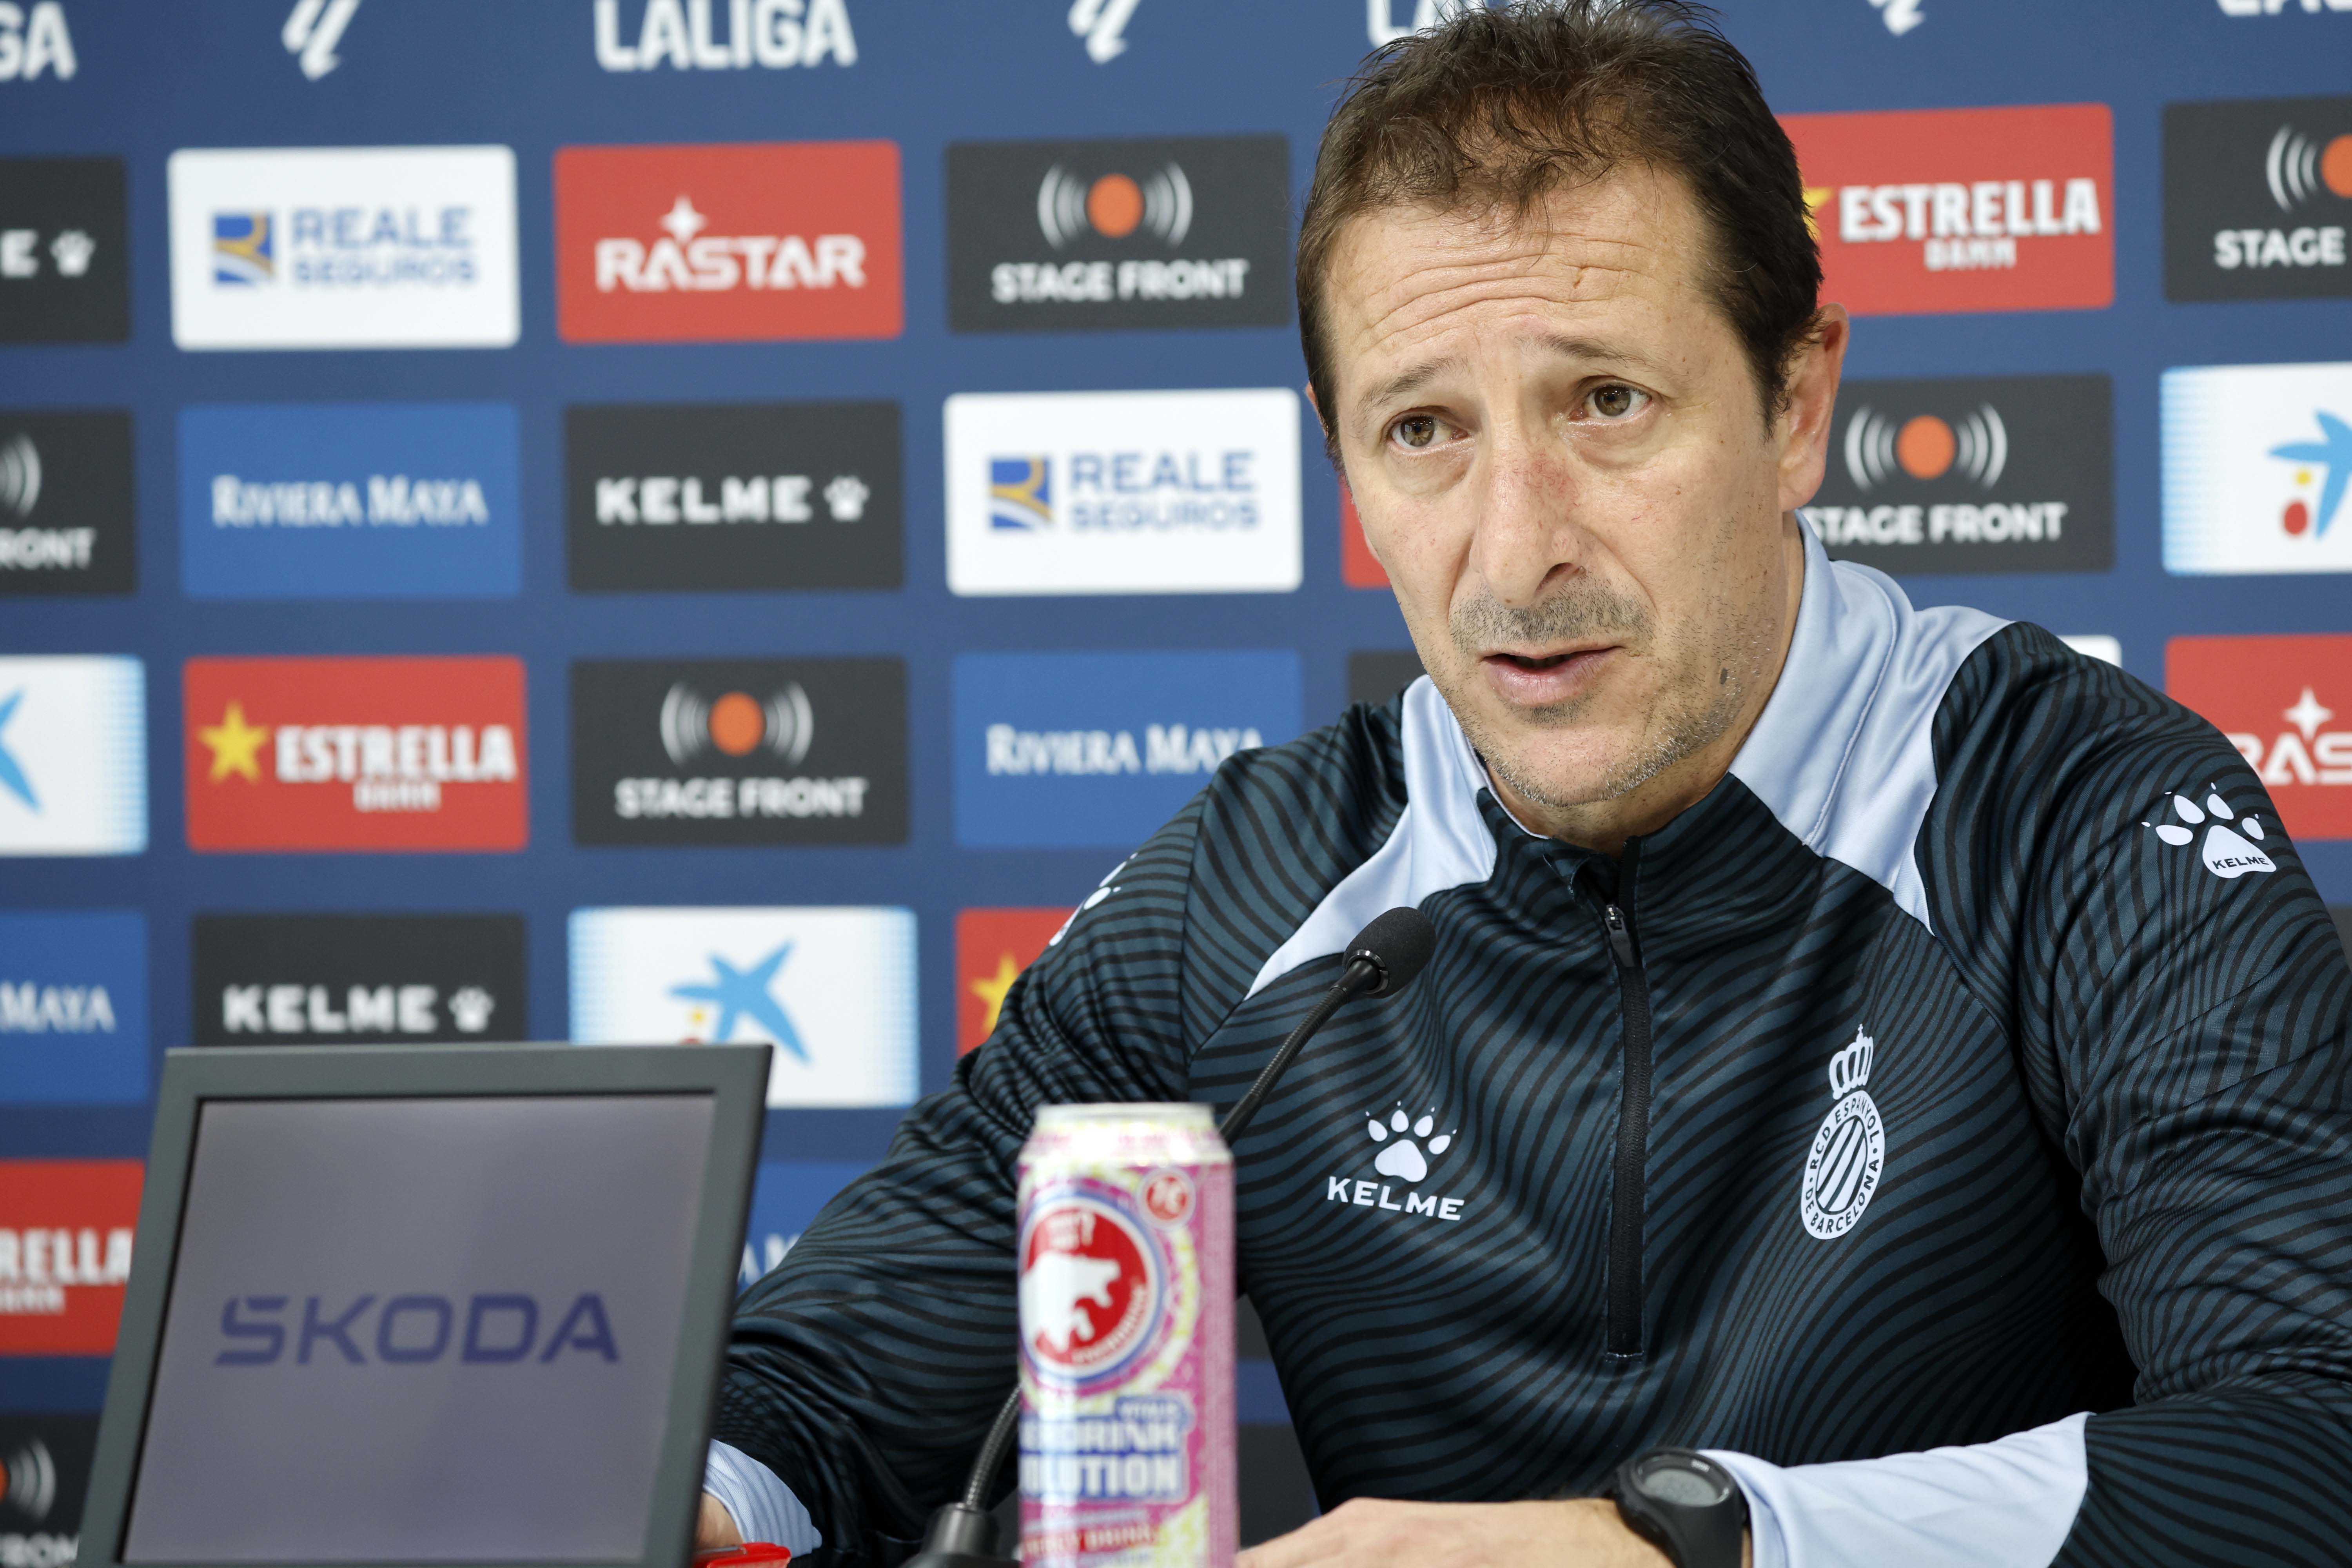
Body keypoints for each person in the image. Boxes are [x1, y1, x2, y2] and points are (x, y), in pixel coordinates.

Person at [699, 4, 2352, 1565]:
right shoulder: (1258, 887)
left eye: (1607, 403)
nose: (1515, 552)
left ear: (1796, 406)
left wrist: (1678, 1543)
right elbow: (818, 1389)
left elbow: (2314, 1438)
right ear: (1344, 463)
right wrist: (691, 1493)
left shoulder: (2073, 811)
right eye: (1424, 431)